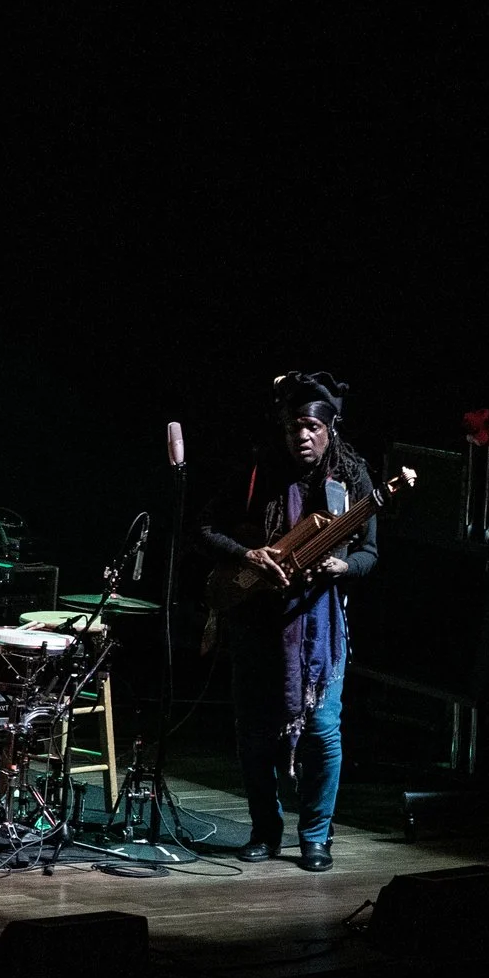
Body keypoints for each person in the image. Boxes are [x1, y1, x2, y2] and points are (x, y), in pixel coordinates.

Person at [194, 372, 378, 871]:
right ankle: (264, 830)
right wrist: (248, 555)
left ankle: (316, 834)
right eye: (295, 426)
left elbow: (369, 553)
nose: (303, 436)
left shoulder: (353, 478)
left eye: (312, 428)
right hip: (257, 621)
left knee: (322, 729)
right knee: (255, 731)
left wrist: (343, 566)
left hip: (320, 627)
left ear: (330, 427)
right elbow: (206, 526)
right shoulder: (256, 472)